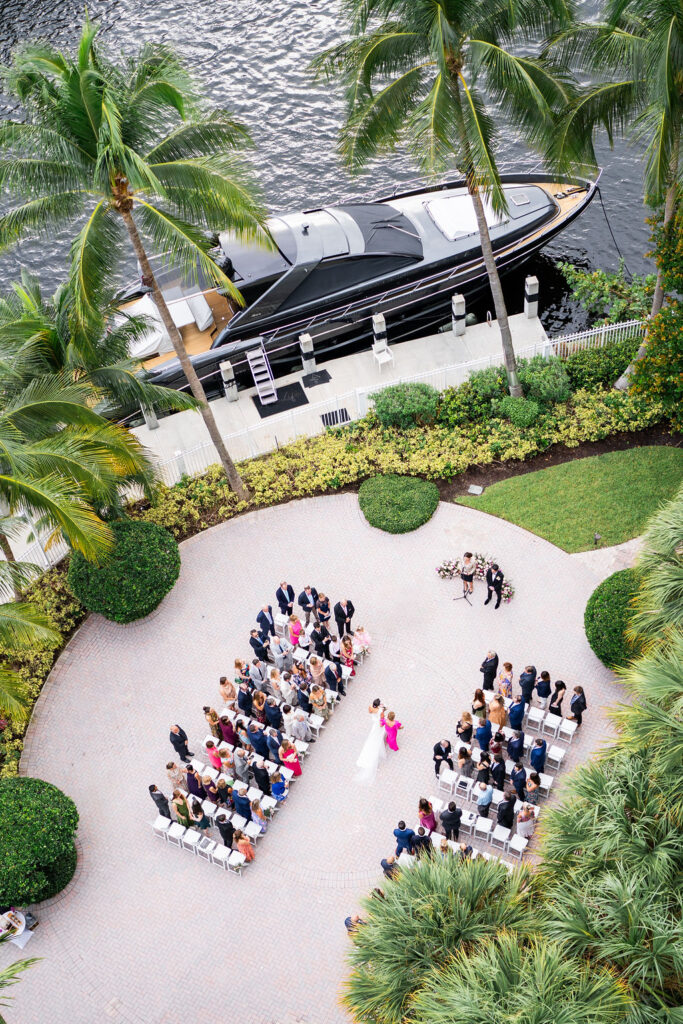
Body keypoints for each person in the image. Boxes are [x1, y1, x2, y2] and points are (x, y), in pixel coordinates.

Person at [355, 699, 386, 784]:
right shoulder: (380, 711)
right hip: (378, 725)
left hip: (374, 723)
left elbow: (370, 712)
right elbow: (382, 720)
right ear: (379, 705)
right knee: (378, 738)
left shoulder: (370, 707)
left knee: (373, 737)